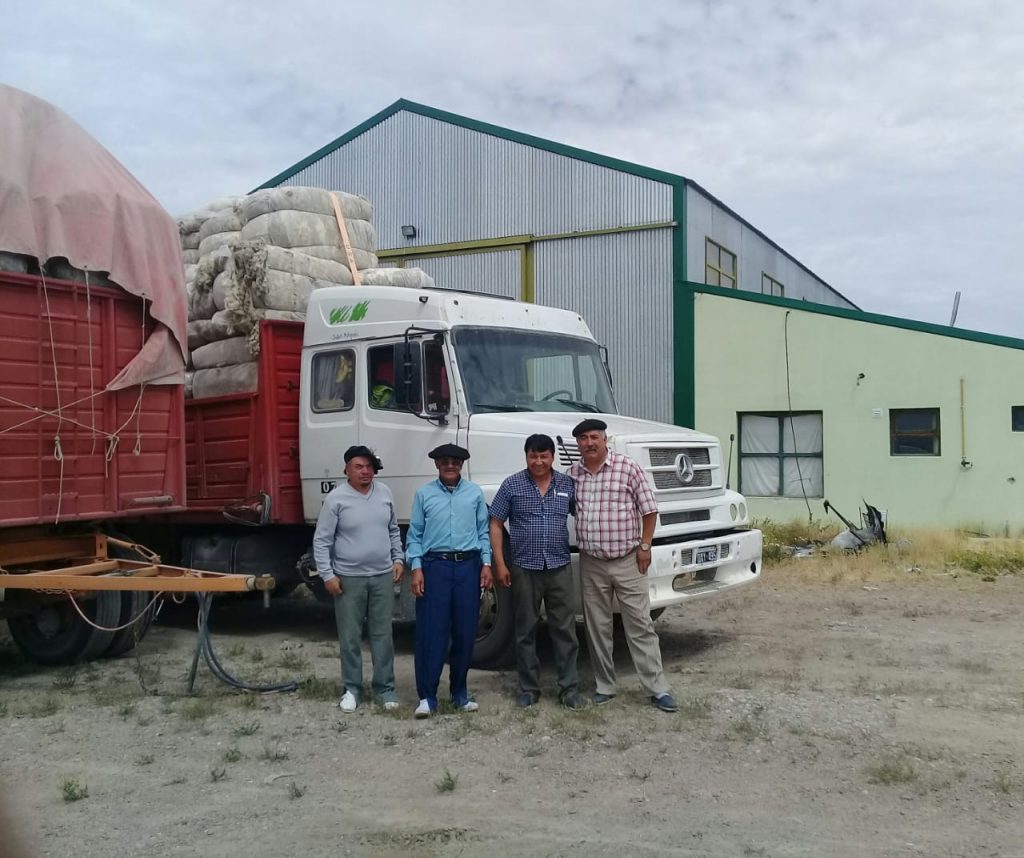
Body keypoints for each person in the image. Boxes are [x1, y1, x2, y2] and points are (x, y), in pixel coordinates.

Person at [568, 419, 678, 713]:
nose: (589, 443)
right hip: (592, 563)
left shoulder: (627, 468)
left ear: (606, 440)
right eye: (583, 439)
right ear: (577, 444)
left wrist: (645, 546)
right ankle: (605, 686)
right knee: (597, 628)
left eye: (594, 437)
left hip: (628, 559)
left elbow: (649, 510)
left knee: (640, 624)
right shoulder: (573, 474)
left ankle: (657, 688)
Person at [490, 434, 583, 710]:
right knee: (525, 630)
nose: (538, 461)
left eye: (544, 456)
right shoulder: (512, 485)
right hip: (524, 568)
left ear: (552, 457)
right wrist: (500, 564)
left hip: (558, 567)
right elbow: (495, 523)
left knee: (565, 630)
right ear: (526, 456)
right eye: (533, 456)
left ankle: (569, 689)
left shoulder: (567, 484)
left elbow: (585, 514)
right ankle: (529, 688)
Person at [312, 445, 404, 713]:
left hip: (382, 576)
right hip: (348, 578)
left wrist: (398, 559)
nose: (365, 471)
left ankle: (385, 689)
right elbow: (322, 540)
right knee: (351, 637)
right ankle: (351, 688)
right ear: (346, 470)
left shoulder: (384, 493)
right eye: (358, 466)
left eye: (369, 467)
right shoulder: (336, 499)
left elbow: (393, 529)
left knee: (382, 635)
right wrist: (327, 575)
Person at [406, 443, 492, 718]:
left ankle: (459, 694)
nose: (450, 466)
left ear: (462, 465)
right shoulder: (424, 495)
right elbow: (415, 535)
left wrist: (486, 564)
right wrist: (416, 567)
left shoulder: (474, 494)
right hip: (436, 567)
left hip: (468, 566)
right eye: (444, 461)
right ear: (437, 465)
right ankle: (427, 697)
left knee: (466, 632)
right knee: (433, 632)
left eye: (455, 462)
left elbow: (483, 533)